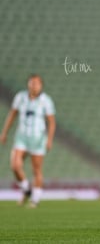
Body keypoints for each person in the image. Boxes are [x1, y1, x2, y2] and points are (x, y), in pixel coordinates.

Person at [0, 74, 56, 208]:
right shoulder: (20, 97)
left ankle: (34, 199)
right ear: (28, 84)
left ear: (41, 85)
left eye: (36, 83)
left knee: (36, 169)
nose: (34, 86)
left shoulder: (46, 100)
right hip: (22, 137)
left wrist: (49, 139)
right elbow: (12, 115)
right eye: (31, 83)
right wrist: (4, 132)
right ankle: (26, 189)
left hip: (37, 138)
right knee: (15, 165)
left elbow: (51, 122)